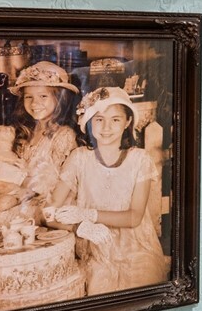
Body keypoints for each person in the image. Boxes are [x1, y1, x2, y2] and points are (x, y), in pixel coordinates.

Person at [47, 86, 168, 295]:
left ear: (128, 122)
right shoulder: (79, 158)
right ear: (88, 121)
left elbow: (134, 218)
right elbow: (48, 213)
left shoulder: (139, 159)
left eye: (115, 120)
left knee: (141, 295)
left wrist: (89, 214)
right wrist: (79, 228)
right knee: (101, 297)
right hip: (97, 251)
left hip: (137, 249)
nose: (106, 127)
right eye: (99, 119)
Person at [7, 61, 80, 205]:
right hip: (22, 197)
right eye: (29, 97)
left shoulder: (63, 135)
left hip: (47, 203)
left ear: (59, 98)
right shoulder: (27, 131)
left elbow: (60, 183)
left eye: (43, 96)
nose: (34, 103)